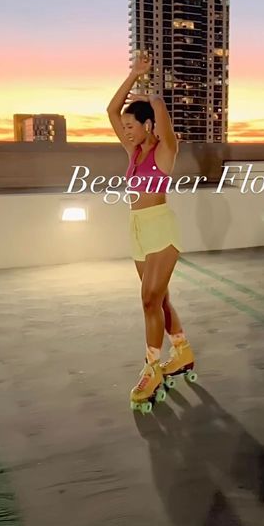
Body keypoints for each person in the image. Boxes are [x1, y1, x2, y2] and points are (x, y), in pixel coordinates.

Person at [106, 54, 195, 411]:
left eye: (132, 124)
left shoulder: (165, 150)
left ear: (148, 125)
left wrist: (152, 88)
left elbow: (160, 112)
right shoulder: (132, 152)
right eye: (125, 126)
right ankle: (183, 352)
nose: (126, 128)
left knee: (148, 301)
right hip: (138, 229)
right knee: (160, 300)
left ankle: (151, 368)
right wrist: (133, 75)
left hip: (160, 226)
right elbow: (111, 111)